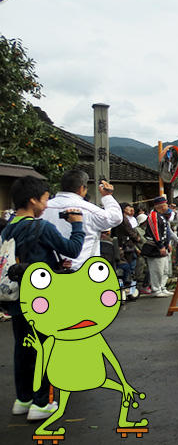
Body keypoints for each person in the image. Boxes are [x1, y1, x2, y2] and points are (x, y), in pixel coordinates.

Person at [1, 176, 84, 421]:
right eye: (46, 199)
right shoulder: (41, 226)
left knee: (23, 349)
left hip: (16, 297)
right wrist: (77, 224)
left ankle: (23, 399)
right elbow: (73, 248)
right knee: (45, 350)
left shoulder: (8, 226)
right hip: (41, 298)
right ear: (33, 199)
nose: (47, 205)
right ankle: (42, 403)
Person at [41, 169, 122, 270]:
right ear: (81, 188)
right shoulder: (88, 209)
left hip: (49, 269)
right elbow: (115, 218)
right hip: (84, 270)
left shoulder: (43, 208)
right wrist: (107, 196)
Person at [142, 197, 173, 297]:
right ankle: (156, 289)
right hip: (154, 247)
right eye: (165, 204)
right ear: (160, 206)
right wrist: (160, 245)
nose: (166, 206)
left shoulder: (161, 216)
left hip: (162, 245)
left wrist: (167, 243)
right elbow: (155, 232)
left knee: (164, 269)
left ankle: (162, 287)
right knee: (156, 270)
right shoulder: (153, 216)